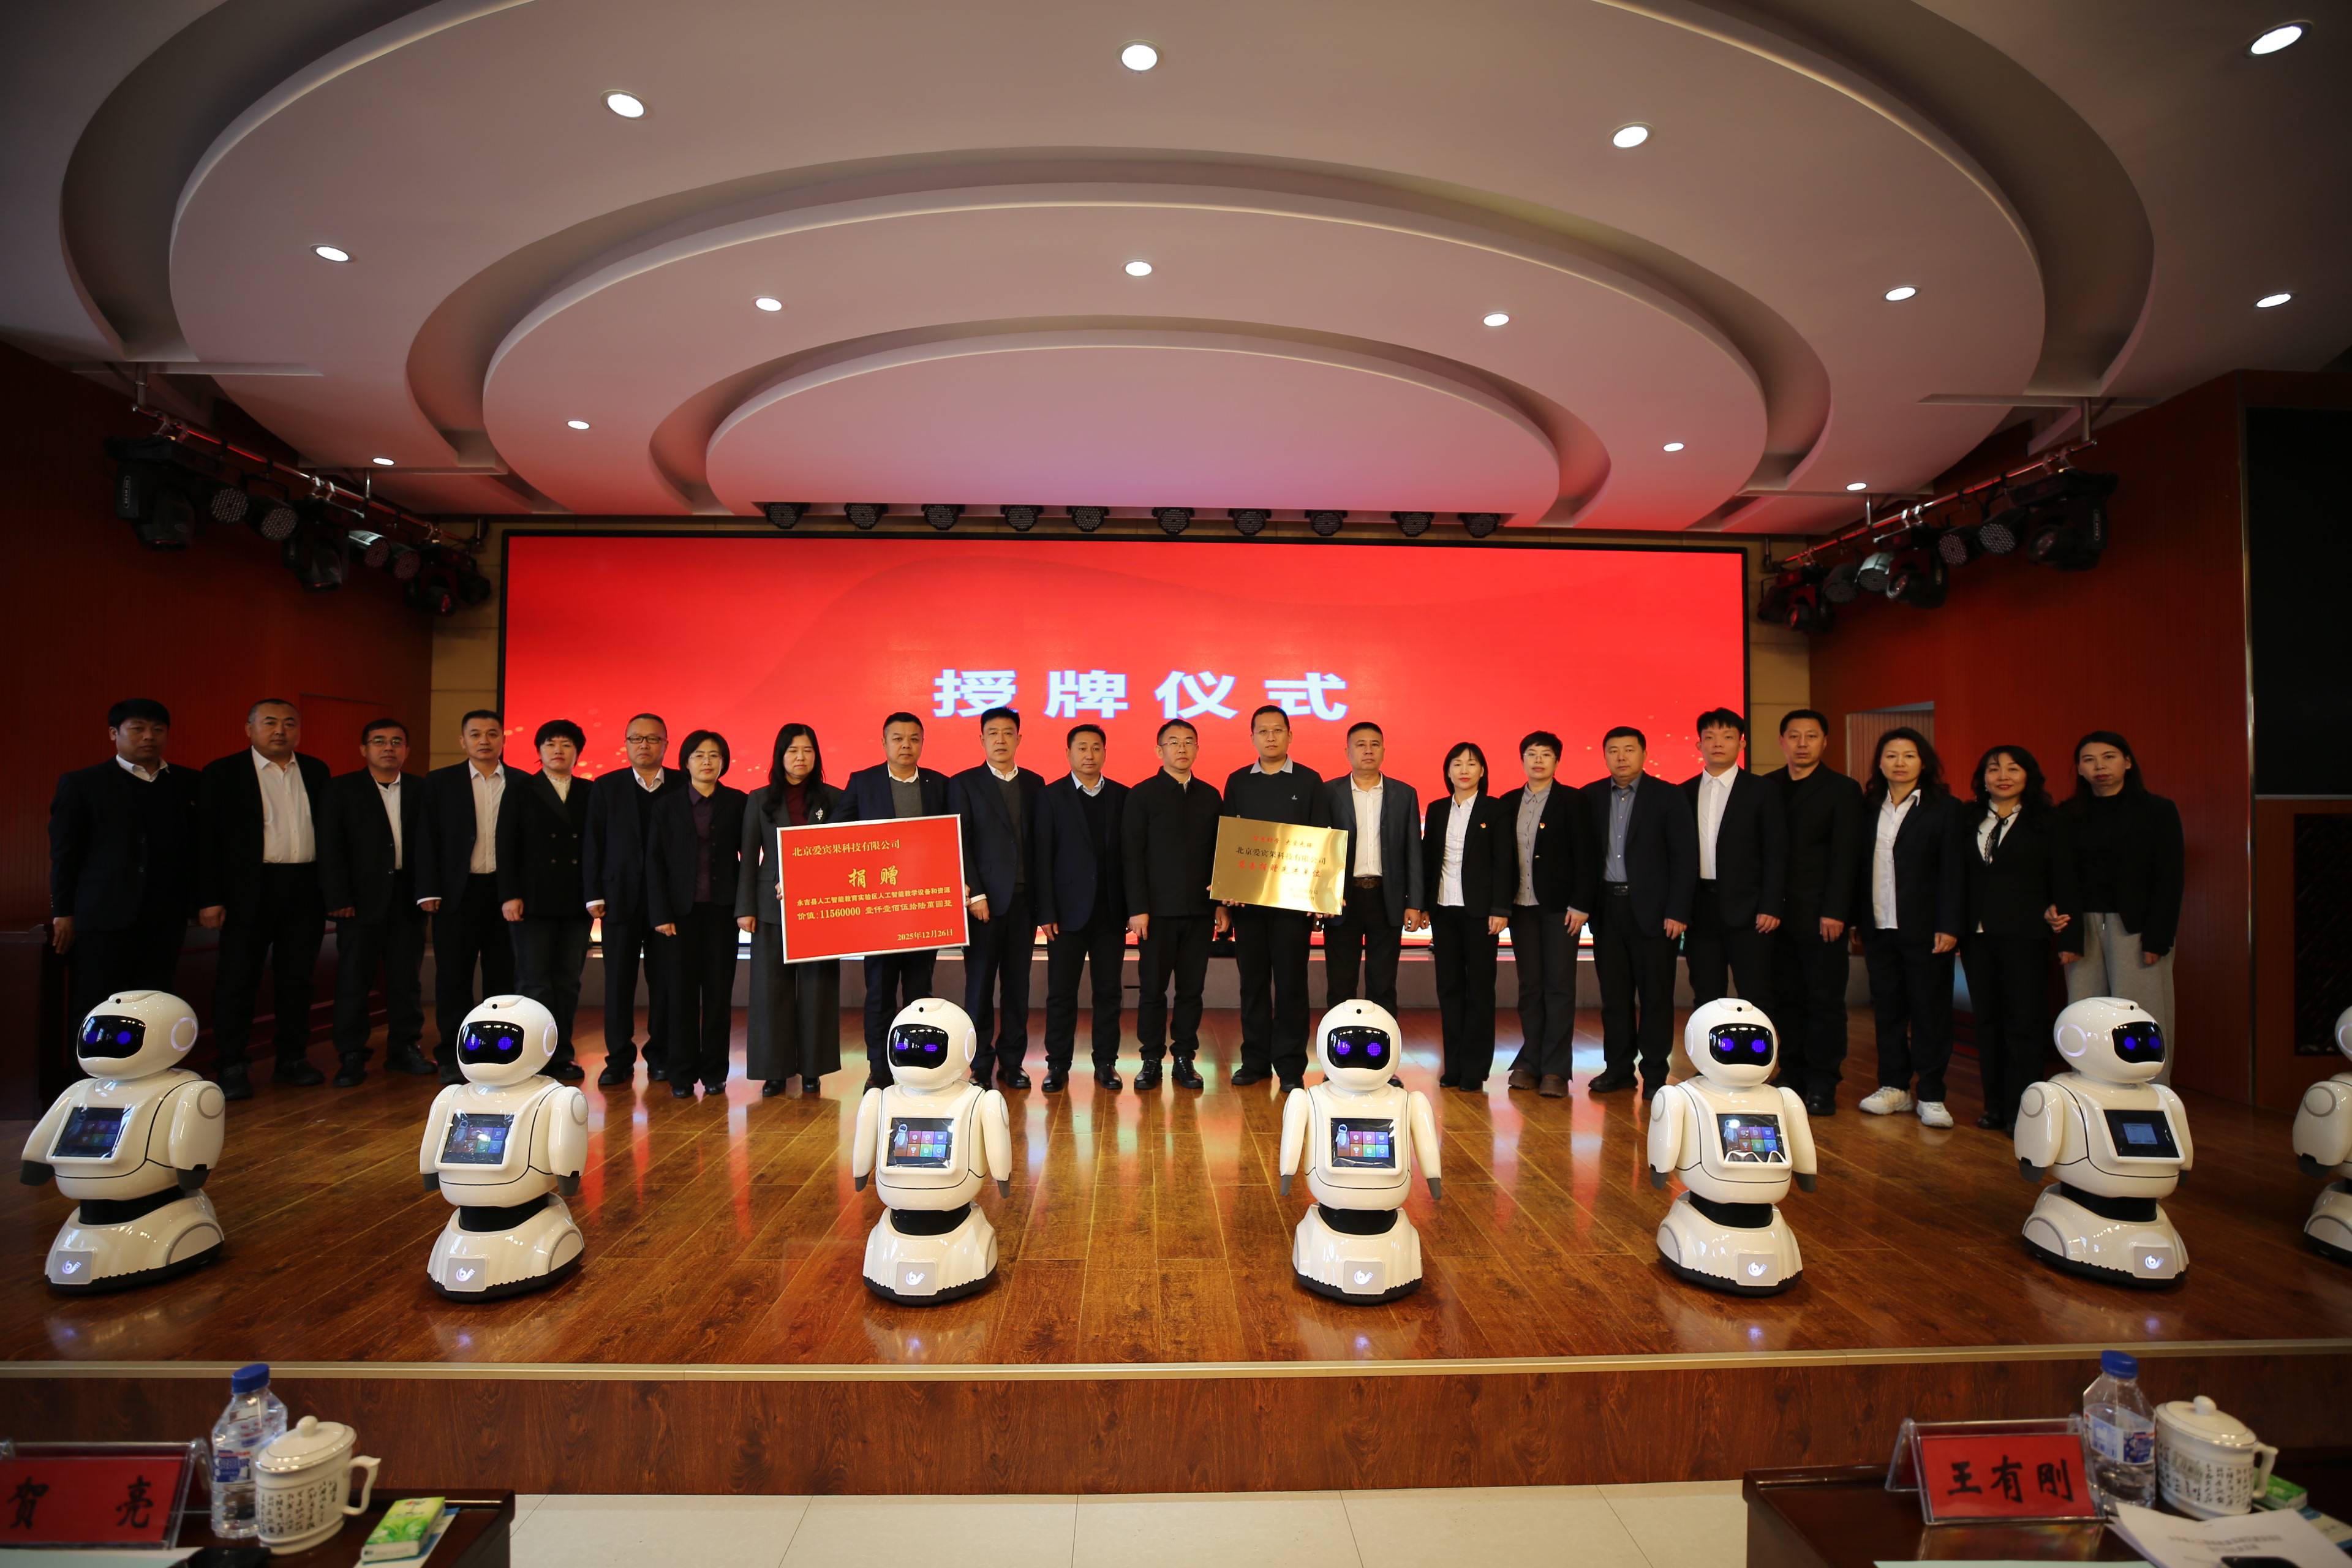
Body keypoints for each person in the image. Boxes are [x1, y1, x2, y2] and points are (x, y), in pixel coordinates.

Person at [197, 698, 333, 1099]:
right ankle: (232, 1064)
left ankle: (292, 1058)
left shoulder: (316, 770)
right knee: (238, 979)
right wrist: (209, 898)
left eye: (289, 723)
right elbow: (205, 841)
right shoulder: (223, 773)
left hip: (304, 887)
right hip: (247, 890)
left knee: (298, 980)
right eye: (270, 722)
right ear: (249, 729)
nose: (280, 730)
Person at [48, 698, 200, 1031]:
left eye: (158, 729)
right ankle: (91, 1067)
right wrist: (63, 911)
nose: (149, 736)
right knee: (97, 1004)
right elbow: (64, 854)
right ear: (113, 733)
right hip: (103, 917)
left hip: (166, 916)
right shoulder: (83, 784)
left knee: (156, 1005)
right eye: (138, 729)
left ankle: (148, 1066)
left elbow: (199, 848)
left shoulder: (188, 782)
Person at [2057, 731, 2185, 1083]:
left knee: (2141, 1015)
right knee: (2084, 1014)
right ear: (2079, 769)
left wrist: (2158, 939)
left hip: (2137, 928)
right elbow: (2061, 874)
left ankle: (2152, 1093)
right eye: (2089, 760)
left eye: (2109, 757)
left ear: (2128, 762)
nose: (2099, 767)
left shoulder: (2158, 810)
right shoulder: (2068, 814)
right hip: (2083, 926)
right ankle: (2089, 1090)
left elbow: (2170, 878)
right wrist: (2067, 937)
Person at [1855, 727, 1966, 1130]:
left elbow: (1954, 871)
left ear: (1924, 762)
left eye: (1908, 756)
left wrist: (1950, 924)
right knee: (1888, 1010)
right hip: (1879, 925)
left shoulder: (1945, 809)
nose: (1899, 763)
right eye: (1891, 756)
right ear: (1880, 763)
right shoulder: (1869, 807)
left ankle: (1932, 1093)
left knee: (1929, 1012)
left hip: (1927, 929)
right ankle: (1894, 1087)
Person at [1959, 744, 2075, 1132]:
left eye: (2013, 769)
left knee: (2023, 1023)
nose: (2003, 776)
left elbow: (2061, 874)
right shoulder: (1969, 818)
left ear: (2029, 776)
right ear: (1983, 778)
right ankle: (1994, 1105)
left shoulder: (2048, 821)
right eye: (1994, 769)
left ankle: (2024, 1111)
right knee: (1987, 1022)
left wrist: (2063, 922)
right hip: (1977, 935)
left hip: (2025, 934)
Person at [1580, 726, 1698, 1098]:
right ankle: (1618, 1069)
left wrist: (1677, 910)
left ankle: (1655, 1074)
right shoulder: (1590, 796)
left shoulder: (1668, 796)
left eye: (1629, 750)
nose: (1621, 757)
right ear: (1604, 755)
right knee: (1614, 997)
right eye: (1613, 750)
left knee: (1656, 995)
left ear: (1644, 754)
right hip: (1607, 908)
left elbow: (1685, 858)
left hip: (1655, 913)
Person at [838, 712, 951, 1090]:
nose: (906, 746)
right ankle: (880, 1069)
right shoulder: (863, 783)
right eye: (898, 739)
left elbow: (954, 840)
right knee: (880, 993)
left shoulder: (940, 785)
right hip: (880, 911)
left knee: (920, 993)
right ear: (884, 743)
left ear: (923, 743)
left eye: (914, 739)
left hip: (924, 909)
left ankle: (917, 1066)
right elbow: (834, 836)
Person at [316, 717, 432, 1086]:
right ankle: (351, 1054)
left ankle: (405, 1048)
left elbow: (432, 846)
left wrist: (428, 892)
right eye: (379, 741)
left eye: (397, 742)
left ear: (407, 750)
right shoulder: (341, 789)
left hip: (408, 899)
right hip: (358, 902)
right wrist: (338, 897)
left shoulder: (421, 790)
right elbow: (330, 847)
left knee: (405, 980)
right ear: (364, 749)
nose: (388, 748)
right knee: (354, 979)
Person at [1223, 706, 1333, 1091]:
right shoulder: (1238, 782)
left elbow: (1321, 841)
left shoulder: (1309, 781)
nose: (1270, 737)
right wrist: (1226, 894)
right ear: (1252, 737)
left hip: (1292, 905)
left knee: (1291, 986)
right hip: (1249, 905)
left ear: (1290, 735)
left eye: (1278, 730)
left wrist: (1318, 897)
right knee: (1252, 984)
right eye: (1263, 731)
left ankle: (1290, 1066)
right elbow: (1229, 840)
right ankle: (1254, 1061)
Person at [1761, 709, 1864, 1115]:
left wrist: (1837, 910)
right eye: (1794, 736)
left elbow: (1846, 855)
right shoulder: (1767, 786)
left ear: (1825, 742)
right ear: (1781, 741)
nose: (1802, 743)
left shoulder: (1842, 789)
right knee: (1786, 998)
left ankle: (1823, 1083)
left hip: (1823, 915)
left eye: (1811, 736)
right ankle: (1792, 1073)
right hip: (1775, 916)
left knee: (1824, 1001)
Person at [737, 723, 843, 1098]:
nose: (801, 758)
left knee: (818, 990)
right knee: (771, 991)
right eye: (793, 751)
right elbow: (748, 858)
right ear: (780, 755)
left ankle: (813, 1069)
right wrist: (745, 908)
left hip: (821, 909)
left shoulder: (834, 798)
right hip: (771, 907)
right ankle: (775, 1071)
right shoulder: (759, 799)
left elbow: (845, 853)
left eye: (808, 751)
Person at [1124, 719, 1228, 1090]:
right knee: (1152, 990)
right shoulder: (1142, 795)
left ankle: (1184, 1057)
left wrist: (1221, 904)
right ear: (1159, 750)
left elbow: (1221, 855)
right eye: (1173, 742)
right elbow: (1131, 856)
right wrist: (1137, 908)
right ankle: (1151, 1058)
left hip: (1200, 911)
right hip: (1155, 914)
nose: (1182, 748)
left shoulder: (1210, 796)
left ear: (1198, 749)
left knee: (1191, 990)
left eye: (1189, 742)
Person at [582, 712, 683, 1087]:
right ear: (625, 744)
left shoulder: (682, 784)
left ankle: (661, 1056)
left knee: (665, 982)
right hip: (618, 900)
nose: (644, 745)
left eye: (653, 739)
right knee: (618, 983)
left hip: (667, 904)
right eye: (636, 739)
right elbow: (593, 842)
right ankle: (619, 1059)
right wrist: (593, 894)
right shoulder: (606, 786)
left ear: (666, 744)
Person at [416, 709, 516, 1085]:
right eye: (475, 734)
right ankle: (452, 1055)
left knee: (502, 978)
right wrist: (428, 889)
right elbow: (426, 838)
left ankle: (499, 1053)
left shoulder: (521, 783)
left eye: (492, 733)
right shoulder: (440, 782)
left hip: (505, 894)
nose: (484, 741)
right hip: (456, 894)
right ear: (463, 741)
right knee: (453, 978)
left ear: (503, 739)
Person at [648, 729, 746, 1101]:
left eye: (715, 755)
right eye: (699, 755)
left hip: (722, 913)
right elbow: (654, 862)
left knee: (719, 996)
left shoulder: (738, 802)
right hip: (679, 916)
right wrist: (661, 913)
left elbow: (750, 855)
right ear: (685, 762)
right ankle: (681, 1074)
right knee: (680, 996)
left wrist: (745, 908)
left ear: (724, 762)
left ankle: (715, 1073)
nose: (707, 762)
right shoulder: (666, 806)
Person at [951, 706, 1044, 1090]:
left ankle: (1012, 1062)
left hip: (1024, 903)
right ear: (982, 740)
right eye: (993, 733)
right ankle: (979, 1064)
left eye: (1008, 733)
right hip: (983, 905)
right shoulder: (964, 783)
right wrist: (976, 893)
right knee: (979, 987)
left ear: (1019, 739)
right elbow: (960, 843)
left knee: (1018, 988)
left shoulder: (1036, 784)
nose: (1001, 740)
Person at [496, 718, 594, 1082]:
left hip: (576, 901)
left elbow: (597, 848)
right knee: (533, 981)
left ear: (577, 752)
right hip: (533, 901)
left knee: (568, 981)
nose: (558, 750)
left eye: (566, 744)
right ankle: (531, 1056)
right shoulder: (521, 789)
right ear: (538, 751)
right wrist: (510, 895)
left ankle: (562, 1052)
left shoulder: (590, 791)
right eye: (550, 744)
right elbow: (506, 845)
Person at [1496, 730, 1592, 1099]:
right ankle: (1530, 1062)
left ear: (1557, 761)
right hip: (1521, 908)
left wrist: (1581, 903)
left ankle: (1555, 1069)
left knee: (1559, 987)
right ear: (1522, 759)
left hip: (1560, 910)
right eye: (1532, 754)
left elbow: (1586, 855)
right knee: (1530, 987)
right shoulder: (1508, 802)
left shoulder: (1573, 801)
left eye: (1546, 755)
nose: (1538, 761)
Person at [1034, 723, 1128, 1091]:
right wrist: (1046, 912)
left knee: (1109, 993)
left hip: (1110, 913)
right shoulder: (1050, 796)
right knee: (1061, 993)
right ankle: (1057, 1065)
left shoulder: (1122, 796)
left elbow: (1129, 858)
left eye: (1096, 748)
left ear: (1105, 752)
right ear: (1069, 753)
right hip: (1065, 915)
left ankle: (1106, 1063)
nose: (1089, 755)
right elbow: (1043, 857)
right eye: (1082, 748)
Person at [1421, 741, 1515, 1090]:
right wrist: (1423, 904)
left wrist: (1501, 908)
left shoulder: (1496, 809)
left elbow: (1505, 861)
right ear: (1448, 771)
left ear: (1482, 771)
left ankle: (1474, 1069)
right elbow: (1430, 860)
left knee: (1479, 990)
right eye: (1457, 764)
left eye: (1472, 764)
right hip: (1444, 910)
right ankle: (1454, 1066)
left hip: (1481, 914)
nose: (1464, 769)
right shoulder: (1436, 809)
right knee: (1449, 988)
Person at [1679, 708, 1784, 1010]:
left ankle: (1759, 1044)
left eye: (1727, 737)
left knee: (1756, 992)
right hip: (1700, 909)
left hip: (1751, 911)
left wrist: (1770, 905)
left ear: (1742, 743)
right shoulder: (1683, 792)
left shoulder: (1762, 791)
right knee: (1706, 993)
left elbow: (1776, 852)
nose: (1718, 744)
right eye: (1710, 737)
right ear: (1699, 745)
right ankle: (1712, 1044)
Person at [1323, 721, 1424, 1018]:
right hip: (1342, 899)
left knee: (1383, 983)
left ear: (1383, 750)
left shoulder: (1404, 794)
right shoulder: (1328, 792)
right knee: (1341, 982)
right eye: (1361, 745)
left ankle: (1381, 1046)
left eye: (1375, 744)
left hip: (1387, 897)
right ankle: (1339, 1045)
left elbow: (1413, 851)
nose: (1368, 750)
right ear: (1347, 752)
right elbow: (1318, 850)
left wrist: (1415, 903)